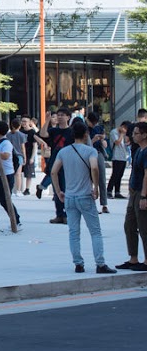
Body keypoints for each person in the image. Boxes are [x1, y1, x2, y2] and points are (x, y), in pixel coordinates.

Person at [51, 116, 115, 274]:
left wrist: (59, 190)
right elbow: (94, 168)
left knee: (74, 232)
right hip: (85, 196)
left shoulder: (63, 151)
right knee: (95, 231)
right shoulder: (91, 151)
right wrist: (96, 188)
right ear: (86, 134)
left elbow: (53, 172)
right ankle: (100, 264)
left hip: (70, 197)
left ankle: (78, 263)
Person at [120, 122, 147, 271]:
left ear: (144, 135)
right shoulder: (138, 151)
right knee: (129, 224)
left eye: (136, 133)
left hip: (143, 193)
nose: (133, 135)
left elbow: (146, 175)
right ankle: (133, 258)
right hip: (134, 191)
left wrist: (144, 196)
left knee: (143, 227)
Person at [0, 119, 22, 229]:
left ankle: (16, 220)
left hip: (5, 175)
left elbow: (6, 156)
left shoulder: (6, 143)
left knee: (5, 199)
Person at [109, 121, 131, 203]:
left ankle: (117, 191)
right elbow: (117, 142)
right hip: (116, 156)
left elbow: (125, 143)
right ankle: (109, 190)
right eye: (125, 128)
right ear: (122, 126)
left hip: (123, 156)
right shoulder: (114, 132)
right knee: (115, 174)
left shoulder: (125, 134)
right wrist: (121, 134)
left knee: (120, 175)